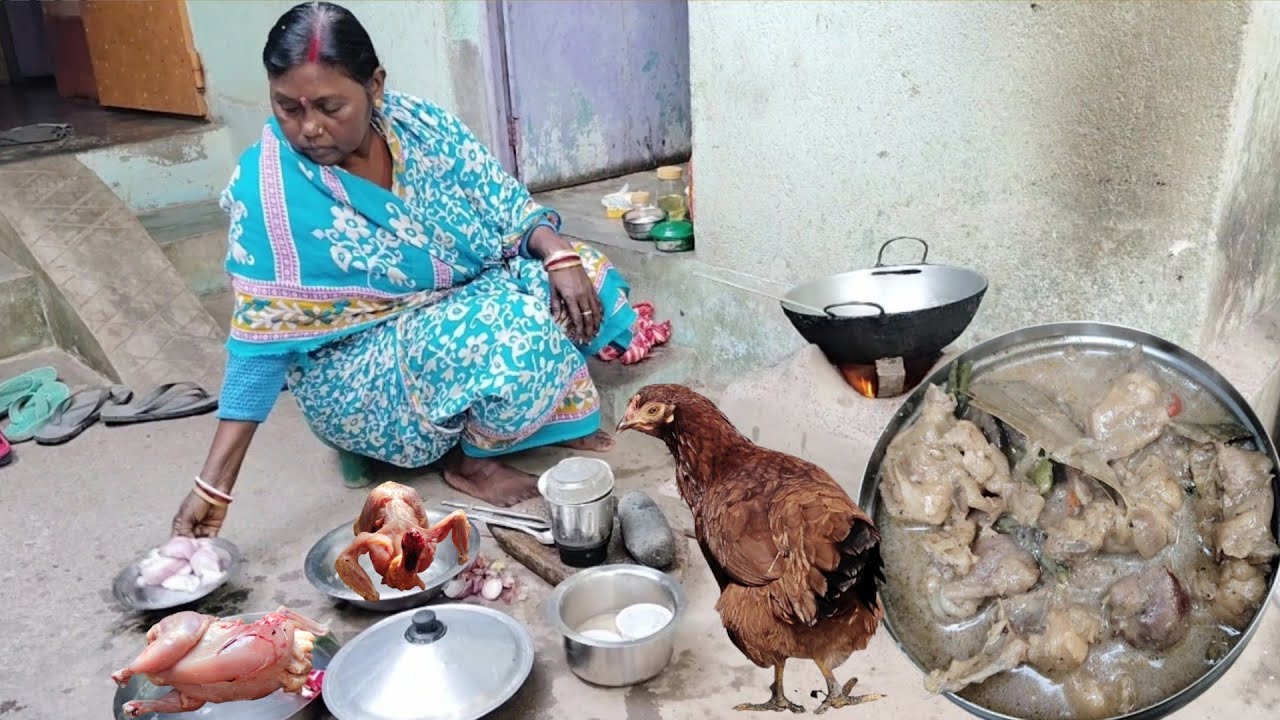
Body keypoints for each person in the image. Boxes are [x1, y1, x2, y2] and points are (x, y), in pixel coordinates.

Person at [172, 1, 662, 537]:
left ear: (375, 86)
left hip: (460, 300)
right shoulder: (269, 190)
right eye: (288, 108)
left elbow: (502, 201)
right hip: (358, 373)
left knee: (580, 272)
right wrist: (212, 488)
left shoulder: (419, 124)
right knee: (517, 334)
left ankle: (533, 420)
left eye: (330, 107)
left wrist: (558, 252)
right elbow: (260, 349)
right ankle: (470, 463)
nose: (309, 128)